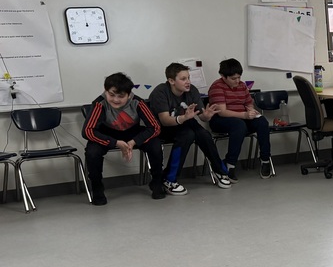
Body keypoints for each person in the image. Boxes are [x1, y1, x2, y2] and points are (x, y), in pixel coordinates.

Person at [148, 62, 233, 194]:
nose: (188, 82)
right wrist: (183, 118)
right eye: (183, 79)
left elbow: (202, 117)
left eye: (188, 78)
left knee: (204, 134)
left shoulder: (192, 90)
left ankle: (220, 171)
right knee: (187, 134)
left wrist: (207, 115)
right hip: (163, 128)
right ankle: (169, 179)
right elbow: (164, 120)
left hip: (185, 122)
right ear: (171, 81)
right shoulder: (160, 92)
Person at [82, 72, 166, 205]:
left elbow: (155, 127)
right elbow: (87, 131)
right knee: (92, 152)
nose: (115, 100)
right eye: (111, 95)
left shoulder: (138, 102)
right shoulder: (99, 103)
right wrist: (115, 143)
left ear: (129, 94)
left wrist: (134, 142)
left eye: (121, 96)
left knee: (155, 144)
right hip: (108, 134)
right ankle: (97, 188)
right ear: (105, 91)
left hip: (132, 133)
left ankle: (156, 183)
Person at [207, 58, 273, 180]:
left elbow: (249, 103)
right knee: (239, 125)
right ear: (223, 76)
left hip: (241, 119)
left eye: (239, 77)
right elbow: (222, 112)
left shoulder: (242, 86)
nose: (237, 81)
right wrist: (244, 115)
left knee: (262, 122)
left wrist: (251, 111)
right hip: (221, 120)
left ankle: (265, 160)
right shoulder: (217, 86)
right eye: (233, 79)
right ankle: (230, 164)